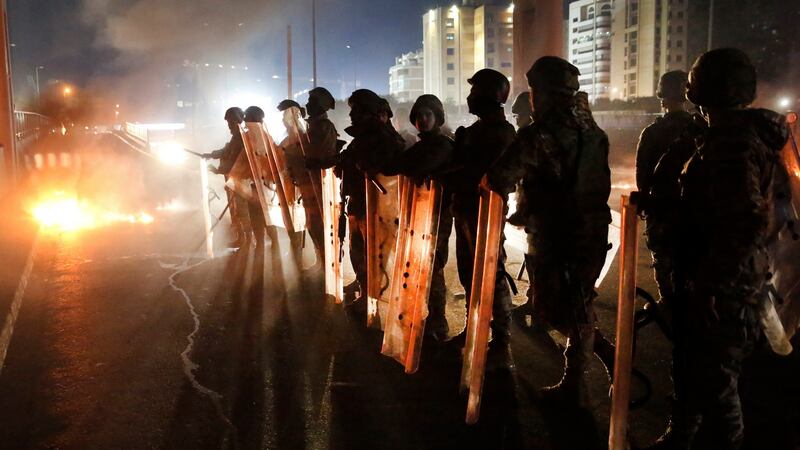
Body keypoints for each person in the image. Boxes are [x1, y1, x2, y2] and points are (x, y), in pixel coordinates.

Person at [668, 48, 790, 450]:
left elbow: (744, 223)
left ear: (698, 91)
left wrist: (711, 285)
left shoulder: (732, 143)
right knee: (701, 372)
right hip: (734, 278)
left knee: (718, 386)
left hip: (726, 286)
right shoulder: (741, 137)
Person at [488, 56, 615, 399]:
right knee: (578, 302)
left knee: (556, 308)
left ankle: (579, 379)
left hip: (557, 235)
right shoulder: (593, 131)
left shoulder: (540, 134)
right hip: (592, 230)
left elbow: (501, 175)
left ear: (539, 93)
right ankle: (596, 358)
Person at [441, 68, 516, 368]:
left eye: (474, 92)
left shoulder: (500, 132)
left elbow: (488, 175)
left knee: (491, 274)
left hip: (485, 211)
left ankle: (501, 339)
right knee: (470, 273)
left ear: (486, 95)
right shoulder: (477, 130)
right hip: (467, 209)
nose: (469, 97)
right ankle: (475, 329)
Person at [383, 94, 454, 341]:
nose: (423, 120)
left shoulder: (442, 145)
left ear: (437, 117)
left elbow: (411, 166)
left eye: (428, 115)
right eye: (419, 115)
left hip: (437, 215)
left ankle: (439, 321)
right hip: (418, 215)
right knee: (420, 268)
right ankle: (427, 318)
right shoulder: (421, 145)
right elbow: (396, 164)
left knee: (433, 269)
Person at [328, 90, 405, 304]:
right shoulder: (363, 138)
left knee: (373, 254)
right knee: (358, 250)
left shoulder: (384, 138)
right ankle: (364, 285)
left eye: (356, 110)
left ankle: (371, 295)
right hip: (360, 202)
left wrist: (365, 166)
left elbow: (390, 170)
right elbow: (344, 162)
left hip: (376, 207)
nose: (352, 115)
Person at [203, 107, 248, 247]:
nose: (228, 125)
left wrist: (218, 170)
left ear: (236, 121)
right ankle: (243, 238)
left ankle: (247, 240)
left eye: (230, 122)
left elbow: (233, 159)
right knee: (236, 210)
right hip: (233, 180)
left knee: (242, 211)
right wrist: (211, 155)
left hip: (240, 181)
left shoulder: (241, 138)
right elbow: (226, 151)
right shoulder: (236, 137)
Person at [242, 105, 279, 251]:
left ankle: (273, 248)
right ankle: (261, 248)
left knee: (267, 219)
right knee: (257, 219)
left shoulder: (262, 137)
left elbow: (264, 161)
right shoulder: (250, 136)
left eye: (247, 117)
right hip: (254, 184)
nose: (244, 120)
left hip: (263, 186)